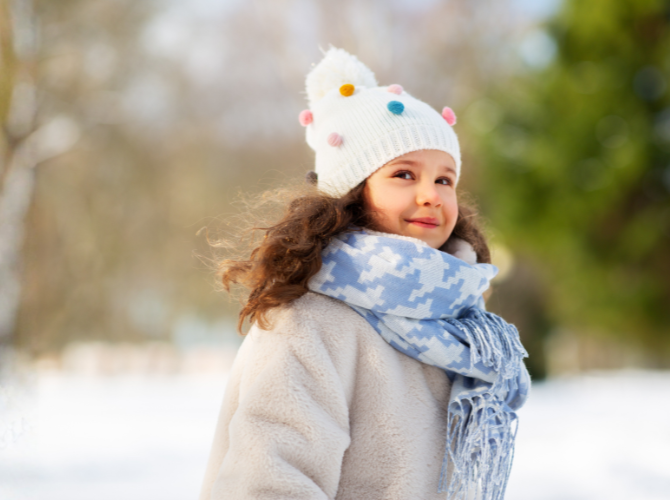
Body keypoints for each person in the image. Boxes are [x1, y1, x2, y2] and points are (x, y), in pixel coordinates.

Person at [200, 48, 531, 500]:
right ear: (352, 193)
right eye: (404, 174)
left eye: (444, 179)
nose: (431, 195)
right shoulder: (308, 322)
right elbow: (269, 483)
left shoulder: (458, 325)